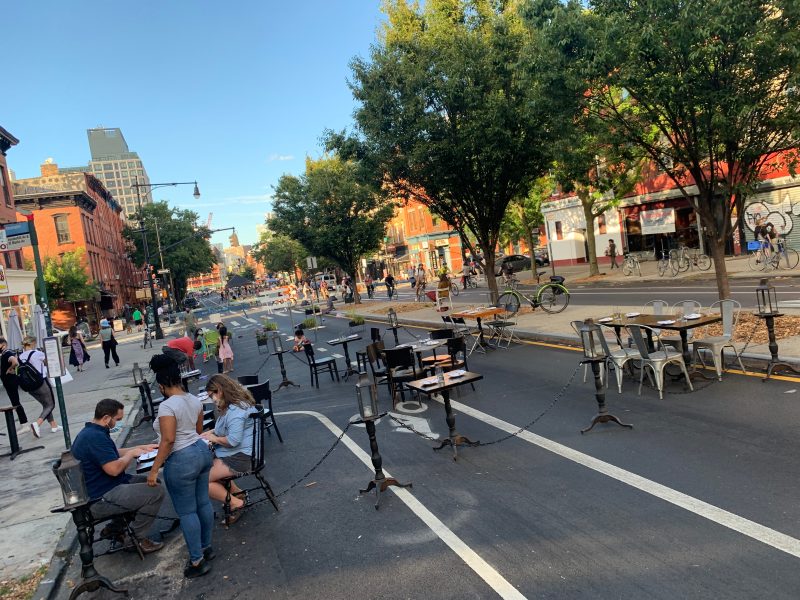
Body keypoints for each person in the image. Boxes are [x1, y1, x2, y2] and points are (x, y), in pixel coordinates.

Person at [147, 353, 213, 579]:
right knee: (203, 502)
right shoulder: (194, 399)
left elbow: (168, 440)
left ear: (161, 385)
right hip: (201, 451)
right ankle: (206, 547)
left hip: (181, 459)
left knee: (186, 512)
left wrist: (155, 469)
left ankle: (197, 561)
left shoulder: (167, 406)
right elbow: (197, 430)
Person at [71, 399, 165, 554]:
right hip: (100, 498)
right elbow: (114, 469)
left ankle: (116, 527)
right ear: (107, 418)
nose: (118, 423)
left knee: (152, 482)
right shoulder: (95, 437)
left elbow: (111, 453)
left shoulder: (92, 432)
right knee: (156, 492)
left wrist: (140, 448)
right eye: (118, 420)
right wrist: (130, 455)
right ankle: (135, 538)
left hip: (103, 488)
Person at [199, 375, 257, 525]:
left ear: (219, 391)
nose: (212, 399)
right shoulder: (235, 406)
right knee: (206, 472)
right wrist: (212, 433)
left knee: (200, 481)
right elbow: (228, 429)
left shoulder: (235, 411)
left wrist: (214, 438)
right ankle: (238, 494)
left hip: (240, 457)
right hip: (241, 454)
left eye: (212, 395)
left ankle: (236, 503)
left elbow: (233, 440)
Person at [7, 336, 59, 437]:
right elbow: (48, 363)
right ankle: (36, 424)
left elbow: (17, 369)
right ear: (32, 343)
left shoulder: (20, 357)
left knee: (45, 405)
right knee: (50, 405)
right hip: (41, 383)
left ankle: (54, 425)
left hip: (29, 387)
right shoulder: (38, 353)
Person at [0, 337, 27, 432]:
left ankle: (24, 424)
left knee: (16, 402)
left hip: (10, 381)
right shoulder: (4, 353)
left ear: (3, 344)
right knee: (15, 402)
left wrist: (10, 368)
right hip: (8, 382)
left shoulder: (7, 353)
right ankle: (23, 423)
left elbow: (15, 362)